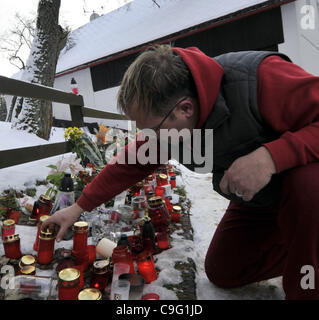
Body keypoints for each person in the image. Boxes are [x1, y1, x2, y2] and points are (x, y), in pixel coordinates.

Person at [42, 44, 319, 299]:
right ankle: (303, 247)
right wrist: (78, 207)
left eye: (152, 129)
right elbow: (132, 161)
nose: (148, 138)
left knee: (308, 185)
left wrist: (271, 157)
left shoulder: (261, 77)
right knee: (225, 271)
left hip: (305, 194)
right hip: (262, 200)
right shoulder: (171, 123)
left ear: (185, 108)